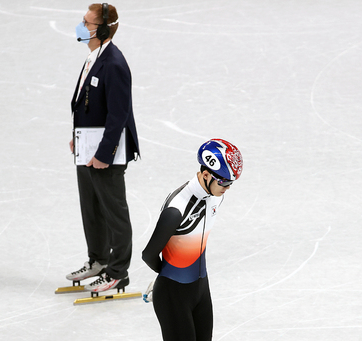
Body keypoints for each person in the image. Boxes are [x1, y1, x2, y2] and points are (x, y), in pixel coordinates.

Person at [66, 3, 140, 293]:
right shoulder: (93, 58)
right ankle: (97, 260)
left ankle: (119, 271)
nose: (81, 27)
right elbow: (87, 104)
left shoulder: (115, 64)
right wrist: (78, 136)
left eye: (86, 23)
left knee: (114, 213)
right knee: (91, 209)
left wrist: (103, 154)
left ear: (104, 29)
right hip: (88, 148)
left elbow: (119, 114)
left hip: (106, 153)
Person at [142, 139, 243, 341]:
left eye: (231, 182)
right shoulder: (177, 209)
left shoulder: (215, 195)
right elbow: (148, 254)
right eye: (224, 182)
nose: (228, 188)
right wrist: (166, 276)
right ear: (206, 174)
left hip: (201, 289)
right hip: (173, 295)